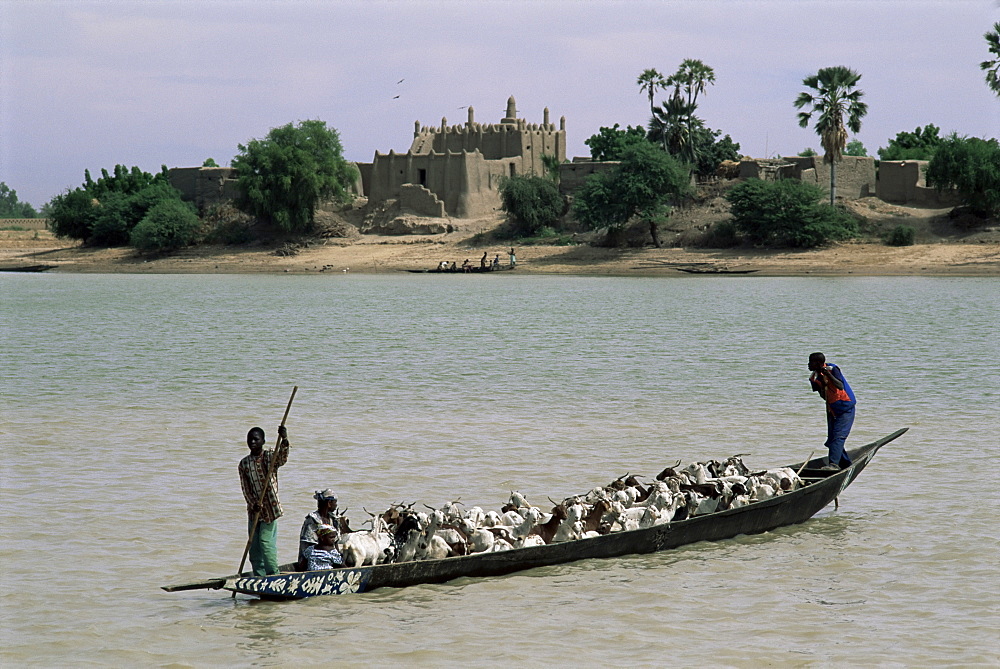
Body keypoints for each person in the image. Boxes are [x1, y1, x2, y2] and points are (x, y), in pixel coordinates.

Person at [238, 425, 289, 576]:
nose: (252, 442)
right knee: (254, 548)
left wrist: (284, 439)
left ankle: (273, 575)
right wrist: (253, 504)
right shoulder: (244, 464)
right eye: (250, 440)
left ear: (263, 441)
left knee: (266, 544)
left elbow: (282, 459)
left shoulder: (269, 457)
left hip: (270, 510)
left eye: (256, 439)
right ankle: (259, 576)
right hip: (255, 511)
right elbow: (245, 488)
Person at [808, 352, 857, 470]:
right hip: (832, 410)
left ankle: (834, 464)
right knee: (831, 440)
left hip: (846, 408)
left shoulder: (832, 369)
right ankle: (845, 464)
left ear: (819, 363)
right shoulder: (813, 378)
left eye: (811, 362)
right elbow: (822, 395)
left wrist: (827, 375)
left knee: (838, 437)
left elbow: (840, 385)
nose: (808, 365)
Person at [298, 489, 340, 570]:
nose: (336, 505)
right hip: (313, 560)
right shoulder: (312, 520)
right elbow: (307, 548)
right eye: (335, 502)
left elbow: (336, 543)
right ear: (329, 503)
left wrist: (337, 557)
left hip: (331, 557)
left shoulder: (333, 519)